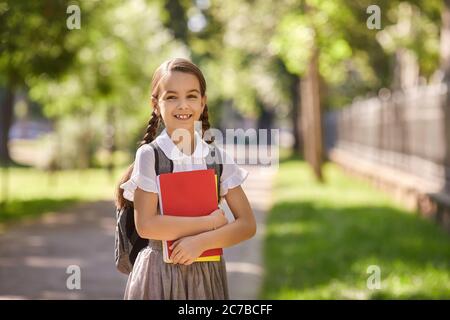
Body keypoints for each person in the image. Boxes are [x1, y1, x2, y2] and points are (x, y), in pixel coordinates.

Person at [115, 57, 256, 300]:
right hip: (159, 273)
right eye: (171, 97)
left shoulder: (217, 158)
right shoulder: (150, 156)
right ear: (156, 104)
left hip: (207, 275)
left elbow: (247, 225)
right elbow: (147, 225)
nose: (183, 105)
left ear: (203, 102)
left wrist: (201, 242)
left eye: (191, 96)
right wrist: (209, 222)